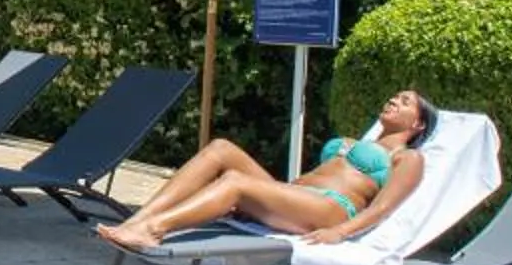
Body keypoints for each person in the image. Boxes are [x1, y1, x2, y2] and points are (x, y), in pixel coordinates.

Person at [95, 88, 440, 250]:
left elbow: (383, 208)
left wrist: (341, 232)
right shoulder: (357, 140)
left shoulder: (408, 158)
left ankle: (154, 230)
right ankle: (137, 221)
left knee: (235, 181)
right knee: (221, 149)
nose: (393, 100)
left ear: (418, 124)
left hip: (330, 209)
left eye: (404, 102)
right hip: (296, 195)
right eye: (393, 96)